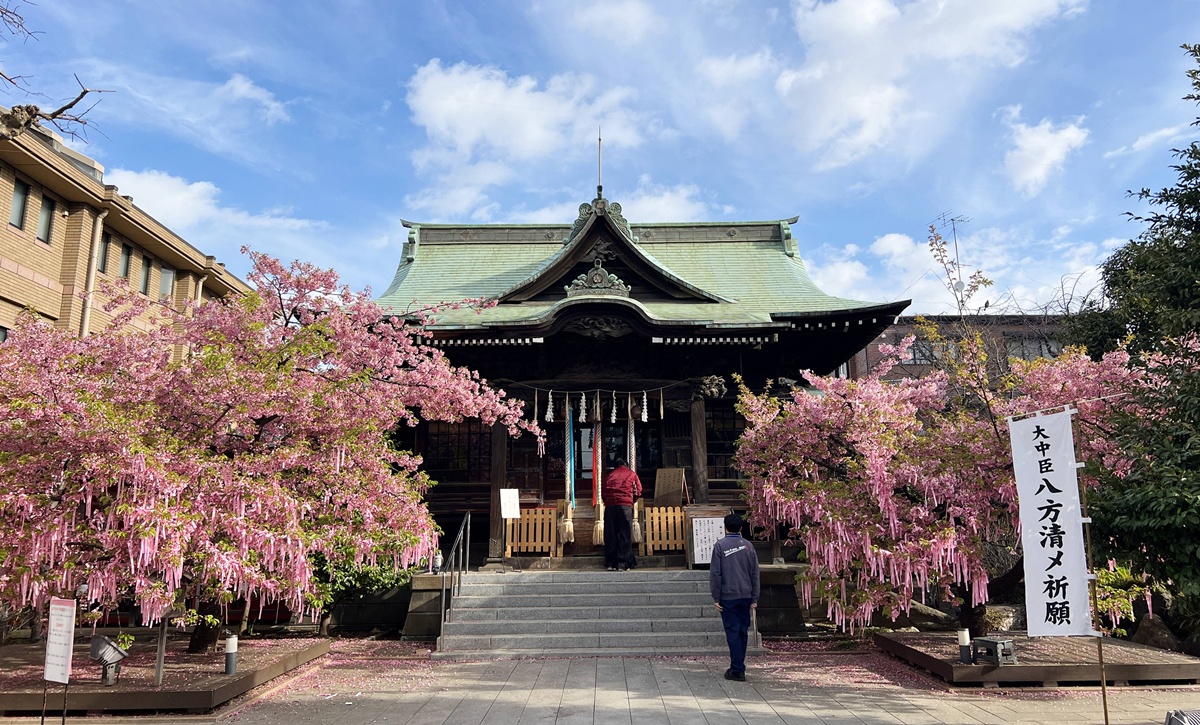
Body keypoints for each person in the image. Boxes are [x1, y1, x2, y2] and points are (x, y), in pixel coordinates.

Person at [710, 512, 759, 682]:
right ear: (741, 527)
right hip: (745, 594)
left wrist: (716, 597)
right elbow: (755, 573)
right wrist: (754, 597)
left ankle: (737, 669)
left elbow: (716, 573)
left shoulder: (720, 546)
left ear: (725, 527)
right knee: (742, 631)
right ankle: (739, 666)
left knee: (732, 631)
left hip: (728, 595)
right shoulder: (748, 546)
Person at [602, 458, 642, 571]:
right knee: (625, 534)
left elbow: (603, 491)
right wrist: (631, 500)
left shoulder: (609, 475)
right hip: (625, 506)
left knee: (611, 534)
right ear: (626, 465)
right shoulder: (631, 474)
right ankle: (623, 563)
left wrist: (608, 501)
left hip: (610, 506)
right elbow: (638, 490)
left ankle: (611, 563)